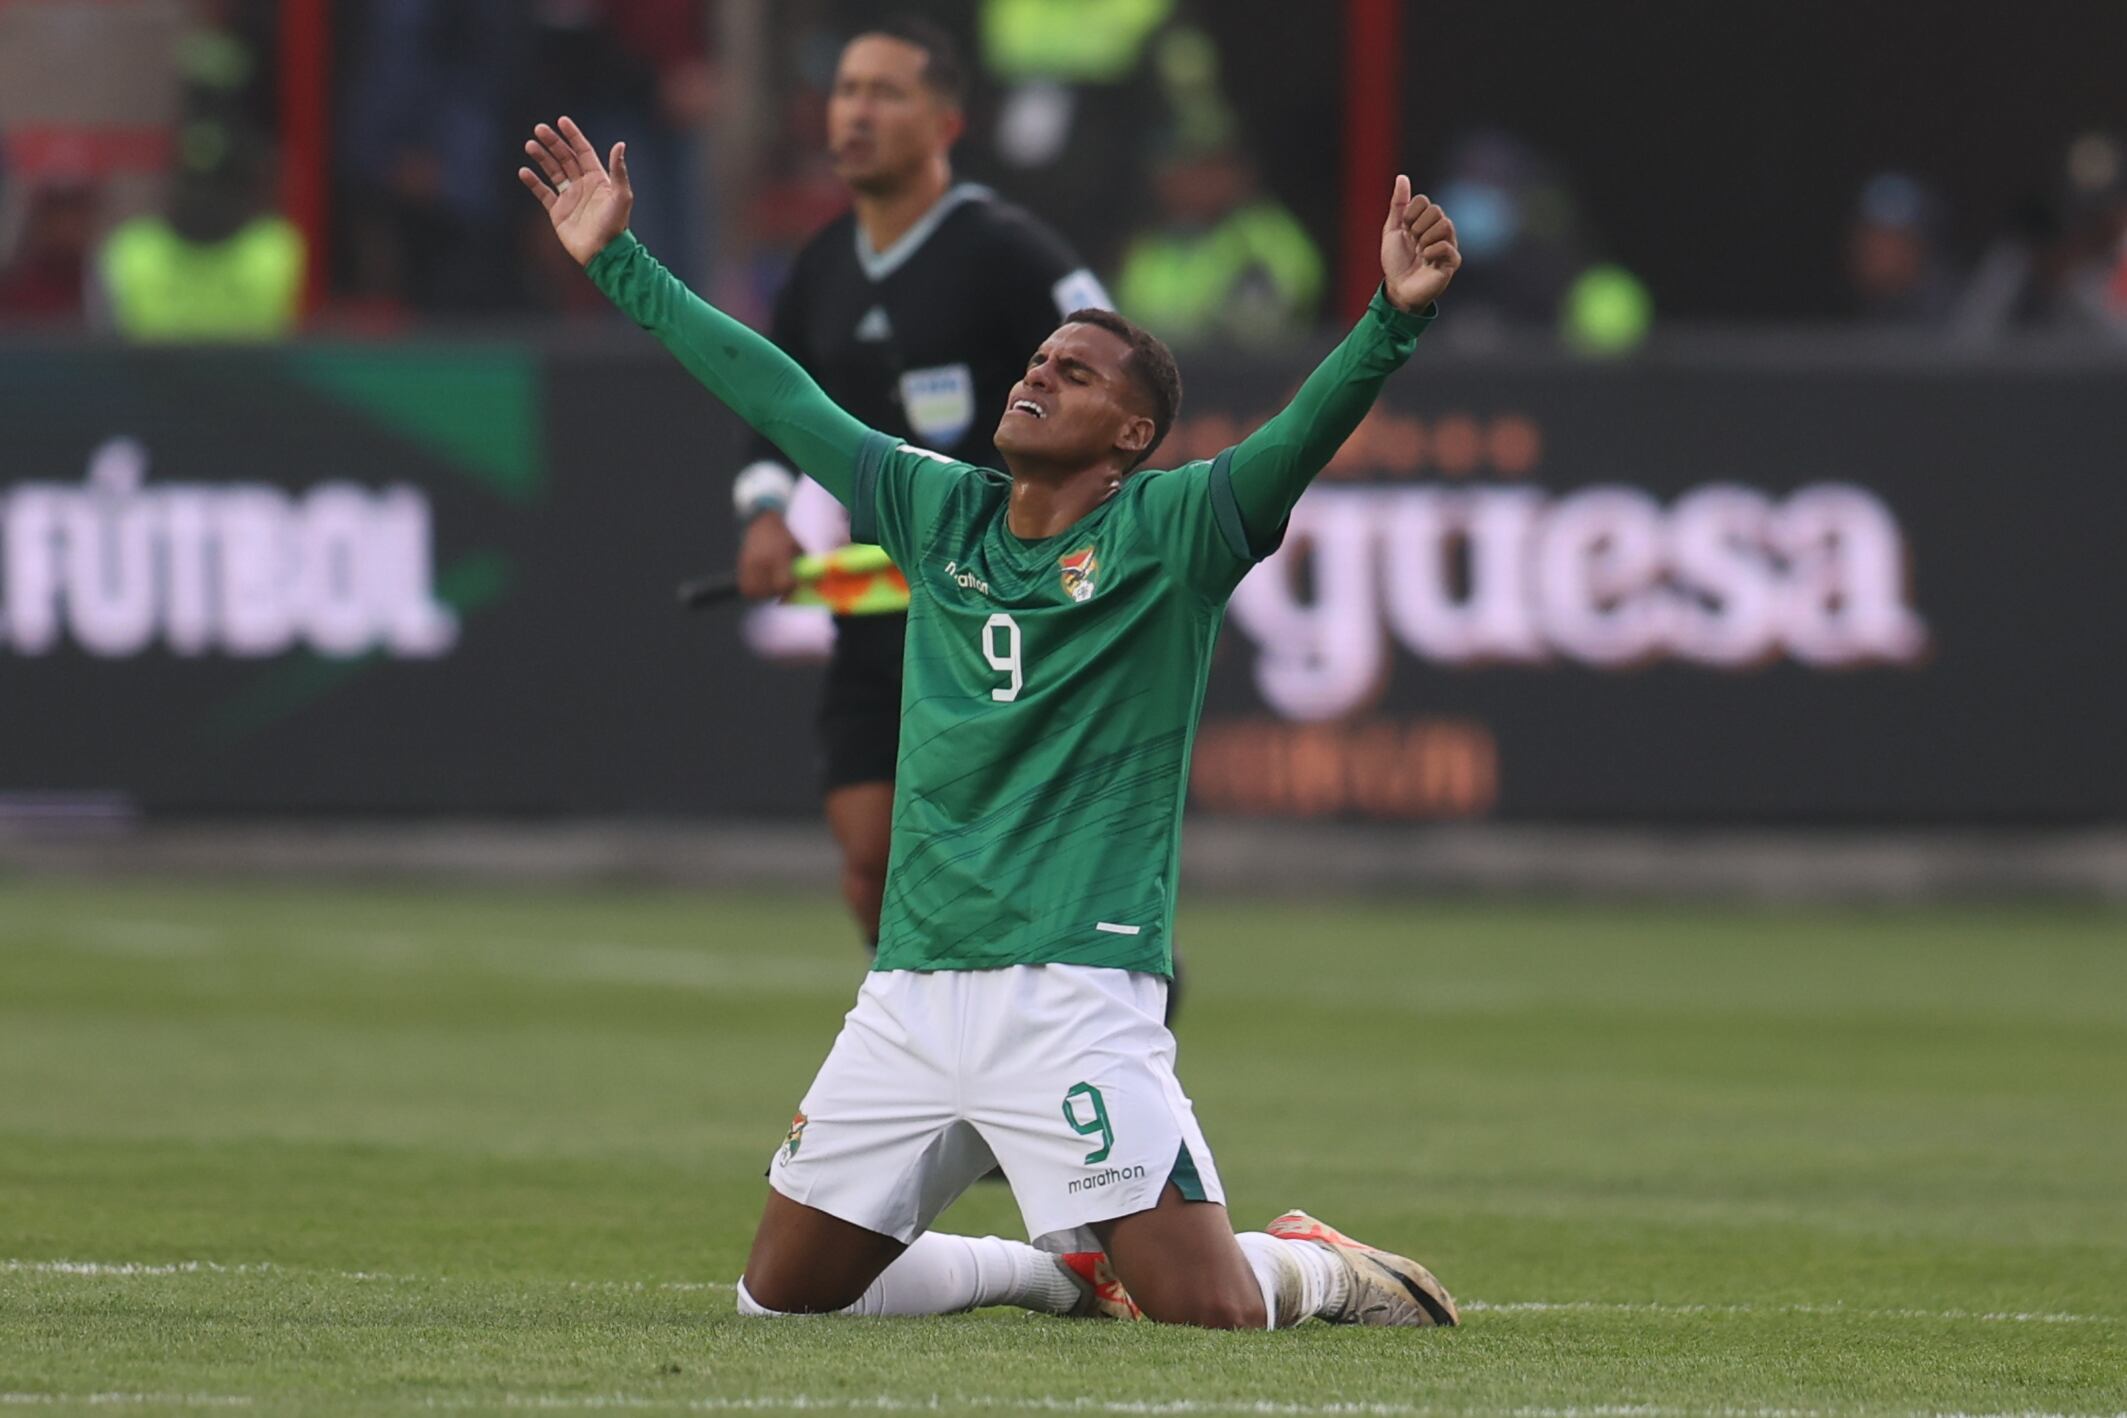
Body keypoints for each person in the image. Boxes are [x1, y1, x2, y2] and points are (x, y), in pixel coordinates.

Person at [518, 114, 1463, 1329]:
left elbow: (1298, 438)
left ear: (1134, 435)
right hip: (912, 987)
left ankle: (1320, 1266)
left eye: (1076, 372)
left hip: (1074, 987)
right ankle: (1053, 1272)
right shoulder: (937, 510)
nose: (1036, 374)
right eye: (1036, 360)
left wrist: (1394, 318)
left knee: (1211, 1316)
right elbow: (774, 387)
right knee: (781, 1305)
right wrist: (619, 263)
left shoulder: (1173, 535)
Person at [729, 19, 1111, 952]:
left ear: (945, 123)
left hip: (996, 611)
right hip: (878, 594)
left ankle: (1112, 997)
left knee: (996, 864)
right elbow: (769, 403)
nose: (856, 111)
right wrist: (765, 513)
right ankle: (940, 1054)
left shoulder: (1006, 250)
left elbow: (1121, 366)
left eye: (885, 92)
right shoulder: (819, 268)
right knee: (868, 858)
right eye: (846, 89)